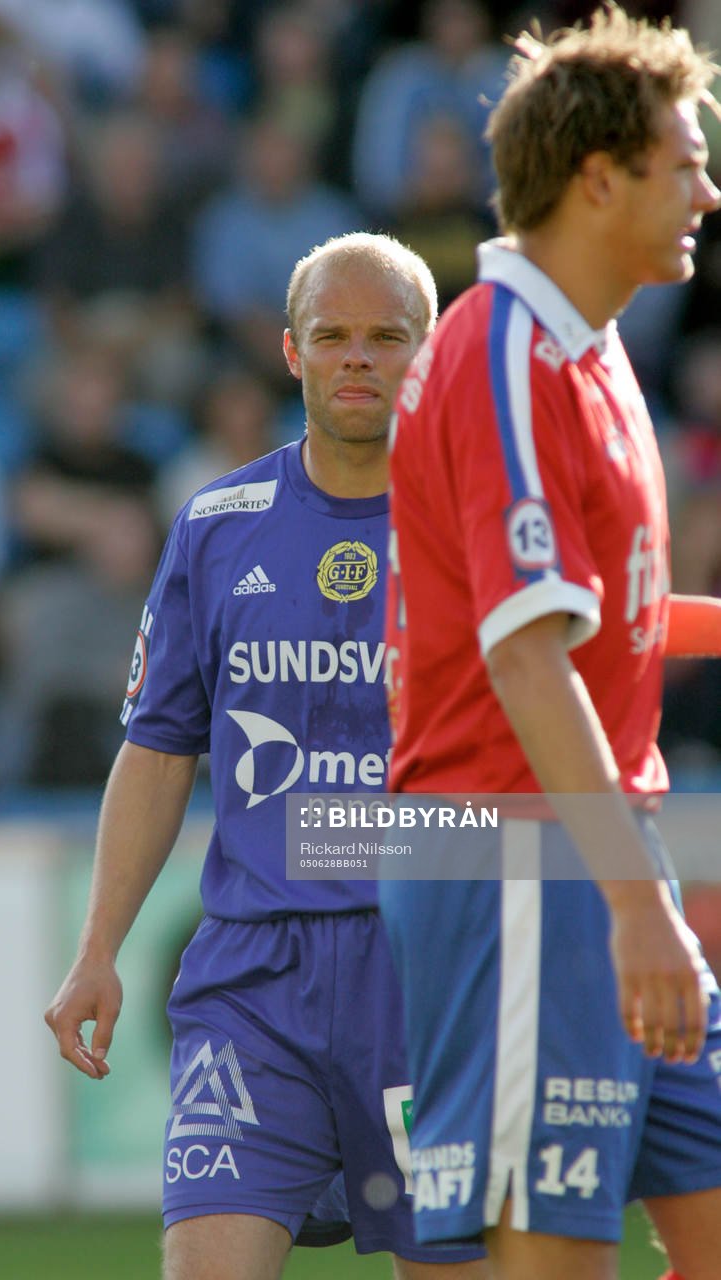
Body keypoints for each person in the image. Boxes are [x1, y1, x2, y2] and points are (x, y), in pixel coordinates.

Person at [44, 232, 489, 1280]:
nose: (357, 358)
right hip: (253, 981)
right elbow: (158, 750)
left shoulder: (484, 529)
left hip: (429, 976)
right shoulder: (216, 523)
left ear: (429, 353)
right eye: (331, 335)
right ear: (290, 351)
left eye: (388, 337)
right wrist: (99, 942)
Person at [379, 8, 721, 1280]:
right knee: (549, 1262)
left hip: (587, 852)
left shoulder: (585, 352)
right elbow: (524, 658)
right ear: (597, 177)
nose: (708, 188)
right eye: (684, 161)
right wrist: (638, 905)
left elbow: (590, 620)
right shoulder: (510, 352)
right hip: (523, 854)